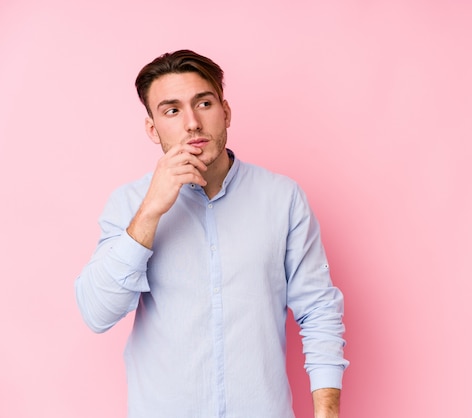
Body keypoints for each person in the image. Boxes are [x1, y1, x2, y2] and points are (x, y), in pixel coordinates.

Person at [75, 49, 348, 418]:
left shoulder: (282, 198)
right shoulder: (130, 204)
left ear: (226, 112)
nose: (192, 123)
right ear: (153, 129)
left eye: (203, 103)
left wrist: (327, 413)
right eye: (172, 110)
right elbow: (97, 313)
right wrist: (152, 210)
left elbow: (318, 312)